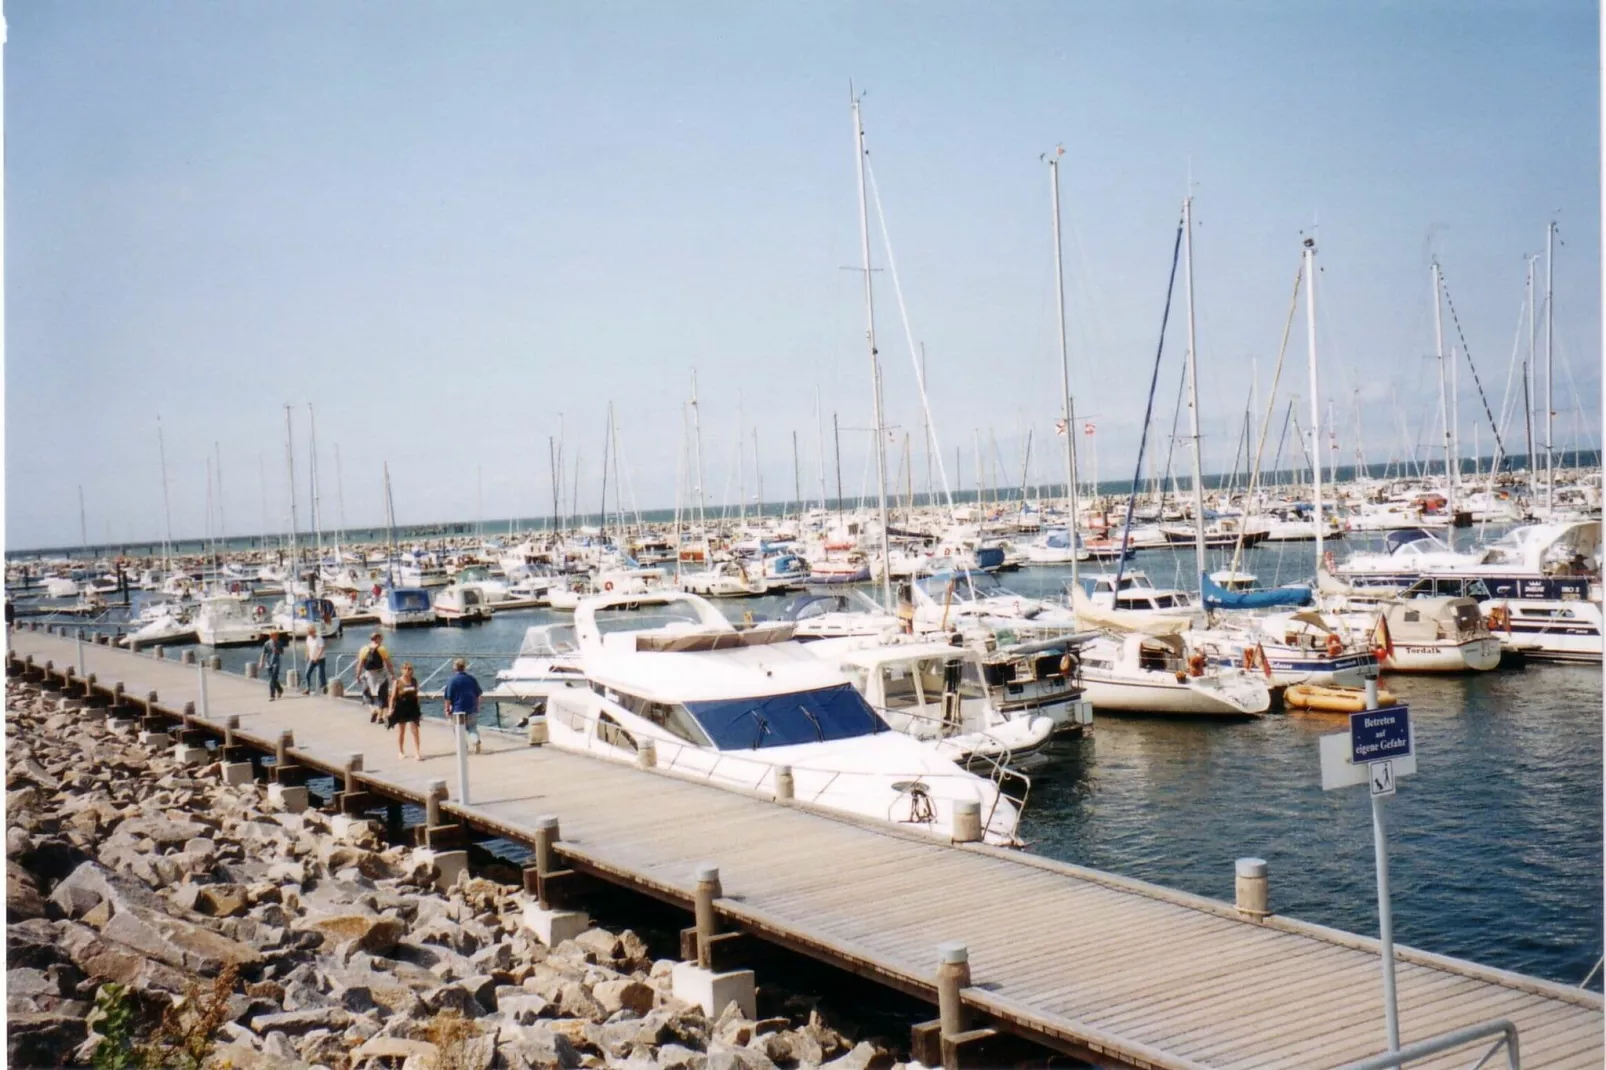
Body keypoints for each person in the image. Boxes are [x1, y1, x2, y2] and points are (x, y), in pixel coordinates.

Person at [441, 658, 484, 755]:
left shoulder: (452, 681)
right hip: (471, 708)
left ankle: (463, 748)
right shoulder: (471, 679)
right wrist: (477, 706)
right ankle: (475, 740)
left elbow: (447, 697)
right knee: (472, 727)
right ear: (464, 667)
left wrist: (447, 709)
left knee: (458, 730)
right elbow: (479, 694)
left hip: (457, 709)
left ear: (455, 668)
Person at [356, 631, 394, 723]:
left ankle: (372, 709)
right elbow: (389, 664)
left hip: (369, 674)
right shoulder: (382, 649)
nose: (382, 640)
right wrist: (392, 674)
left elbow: (360, 664)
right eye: (381, 638)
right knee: (382, 695)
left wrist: (357, 676)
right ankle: (379, 717)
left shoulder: (364, 649)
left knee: (366, 693)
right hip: (381, 674)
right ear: (377, 639)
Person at [388, 662, 424, 761]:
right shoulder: (398, 682)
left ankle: (417, 752)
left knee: (415, 730)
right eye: (405, 669)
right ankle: (401, 751)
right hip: (401, 706)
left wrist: (419, 710)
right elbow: (393, 697)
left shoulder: (414, 681)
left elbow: (416, 696)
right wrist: (390, 709)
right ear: (402, 670)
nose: (408, 671)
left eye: (409, 669)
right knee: (401, 731)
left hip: (412, 706)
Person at [258, 631, 286, 701]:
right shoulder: (267, 643)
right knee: (274, 679)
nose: (276, 637)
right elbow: (263, 653)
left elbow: (282, 652)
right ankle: (280, 689)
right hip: (268, 663)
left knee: (272, 679)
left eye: (277, 636)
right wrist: (261, 662)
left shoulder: (279, 643)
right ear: (271, 636)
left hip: (276, 663)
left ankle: (272, 696)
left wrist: (278, 651)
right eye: (275, 636)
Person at [302, 625, 327, 695]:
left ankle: (324, 687)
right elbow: (307, 647)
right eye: (309, 633)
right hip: (311, 658)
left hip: (320, 659)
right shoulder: (308, 638)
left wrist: (317, 657)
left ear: (314, 632)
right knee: (307, 673)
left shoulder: (319, 639)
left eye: (311, 632)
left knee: (321, 674)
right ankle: (308, 688)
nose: (310, 634)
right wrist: (306, 655)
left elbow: (322, 648)